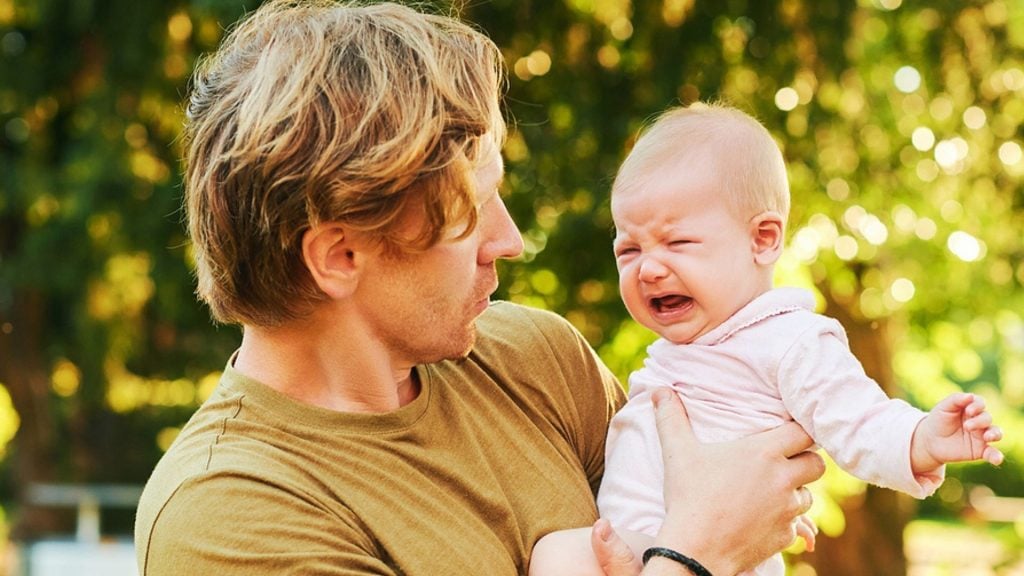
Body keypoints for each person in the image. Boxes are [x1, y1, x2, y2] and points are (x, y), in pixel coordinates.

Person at [133, 3, 826, 575]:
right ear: (340, 255)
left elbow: (721, 490)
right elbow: (708, 530)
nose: (510, 240)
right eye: (470, 211)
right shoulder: (229, 515)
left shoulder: (537, 359)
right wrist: (697, 557)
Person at [528, 103, 1005, 576]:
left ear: (762, 239)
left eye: (678, 243)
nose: (648, 268)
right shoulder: (687, 348)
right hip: (651, 548)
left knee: (561, 557)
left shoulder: (790, 339)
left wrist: (921, 438)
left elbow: (858, 419)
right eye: (629, 249)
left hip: (722, 553)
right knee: (559, 555)